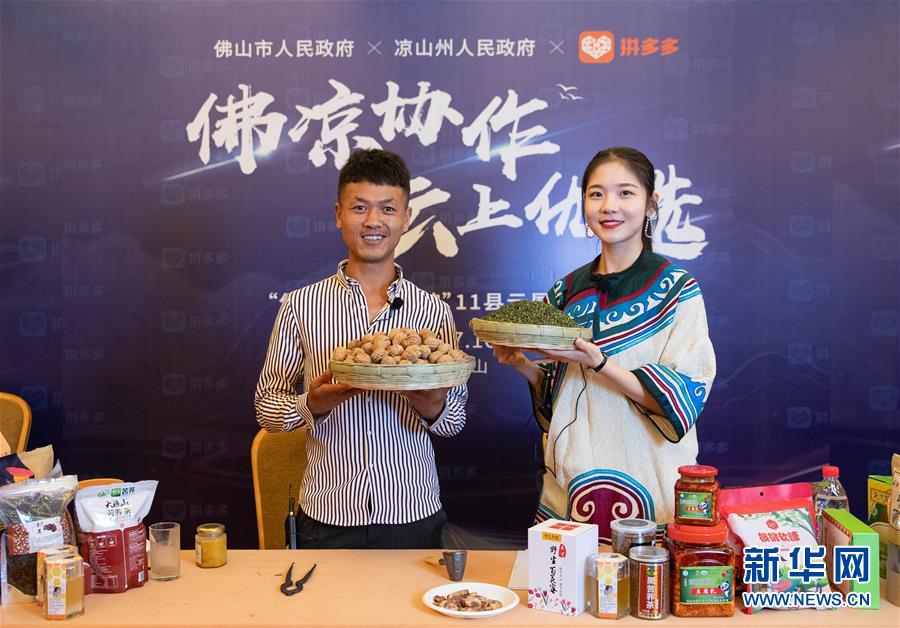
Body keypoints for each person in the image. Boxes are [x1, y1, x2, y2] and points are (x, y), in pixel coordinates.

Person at [493, 146, 715, 542]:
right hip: (573, 482)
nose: (609, 205)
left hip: (649, 479)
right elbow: (560, 399)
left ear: (651, 203)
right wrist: (523, 366)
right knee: (566, 577)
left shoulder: (677, 289)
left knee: (644, 577)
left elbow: (679, 400)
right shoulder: (564, 292)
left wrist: (599, 362)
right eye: (596, 194)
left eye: (625, 193)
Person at [255, 149, 467, 549]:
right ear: (339, 215)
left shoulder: (433, 311)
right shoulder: (301, 306)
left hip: (413, 513)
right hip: (327, 514)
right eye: (359, 207)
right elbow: (267, 407)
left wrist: (431, 405)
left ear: (406, 217)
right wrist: (311, 404)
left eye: (387, 208)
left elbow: (454, 420)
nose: (373, 221)